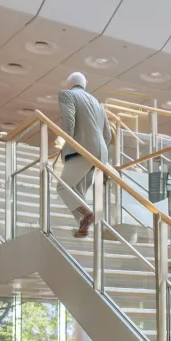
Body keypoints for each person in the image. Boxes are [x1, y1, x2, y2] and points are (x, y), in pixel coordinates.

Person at [57, 72, 112, 238]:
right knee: (77, 190)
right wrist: (98, 149)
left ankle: (86, 212)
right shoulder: (98, 103)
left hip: (80, 149)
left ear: (69, 83)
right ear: (84, 84)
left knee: (63, 187)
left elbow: (69, 123)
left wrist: (63, 142)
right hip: (100, 154)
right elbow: (108, 135)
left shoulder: (67, 94)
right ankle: (82, 226)